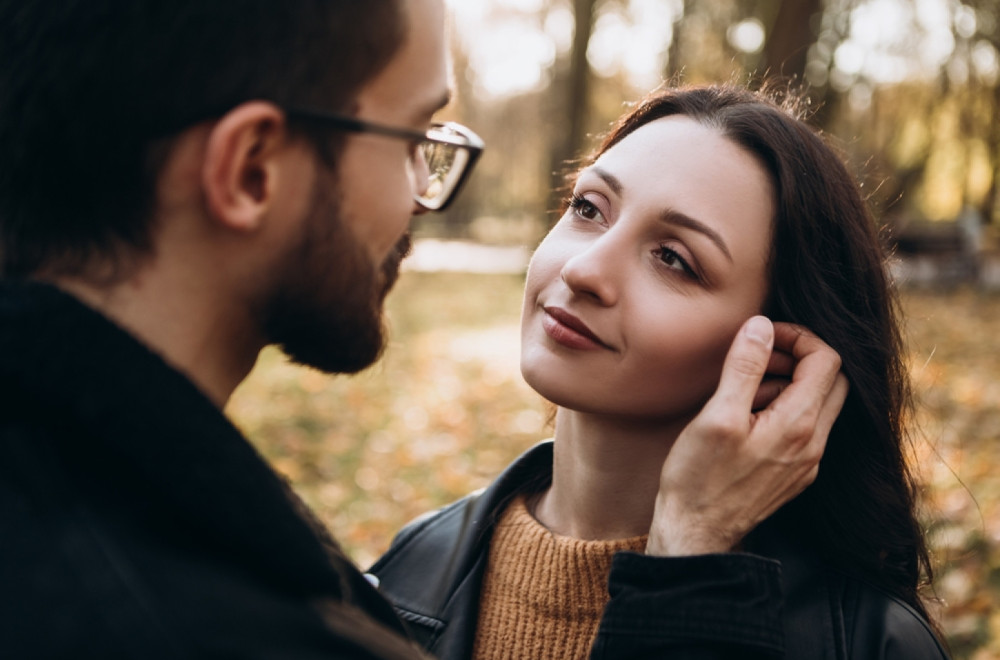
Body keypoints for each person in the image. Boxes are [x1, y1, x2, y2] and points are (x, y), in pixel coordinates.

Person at [0, 0, 846, 657]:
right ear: (251, 168)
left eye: (675, 258)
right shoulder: (242, 616)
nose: (420, 189)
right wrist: (689, 583)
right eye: (411, 137)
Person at [370, 85, 951, 659]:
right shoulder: (404, 576)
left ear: (782, 351)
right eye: (588, 208)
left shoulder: (871, 643)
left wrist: (688, 564)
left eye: (674, 258)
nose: (583, 268)